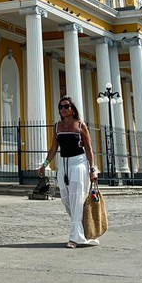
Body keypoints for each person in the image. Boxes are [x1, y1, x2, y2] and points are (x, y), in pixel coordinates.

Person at [38, 96, 99, 248]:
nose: (63, 110)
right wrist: (44, 164)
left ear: (72, 109)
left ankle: (74, 238)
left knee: (77, 199)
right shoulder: (58, 126)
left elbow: (89, 149)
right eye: (60, 107)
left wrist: (92, 169)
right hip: (63, 164)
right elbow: (53, 148)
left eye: (66, 106)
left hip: (78, 163)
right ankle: (83, 230)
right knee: (66, 200)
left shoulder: (80, 125)